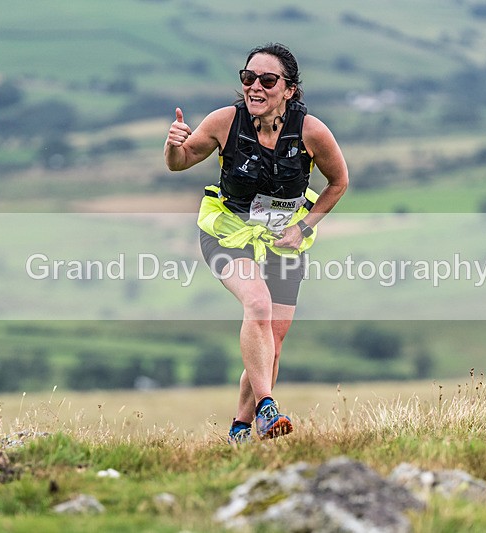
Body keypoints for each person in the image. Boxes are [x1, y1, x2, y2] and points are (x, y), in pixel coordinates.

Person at [164, 43, 348, 443]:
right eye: (248, 78)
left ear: (289, 90)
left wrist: (305, 228)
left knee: (273, 344)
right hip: (228, 233)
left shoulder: (312, 131)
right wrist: (172, 144)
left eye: (268, 80)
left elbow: (339, 183)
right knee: (258, 304)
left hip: (283, 240)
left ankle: (240, 430)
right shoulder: (224, 121)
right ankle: (267, 408)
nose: (255, 87)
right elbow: (179, 163)